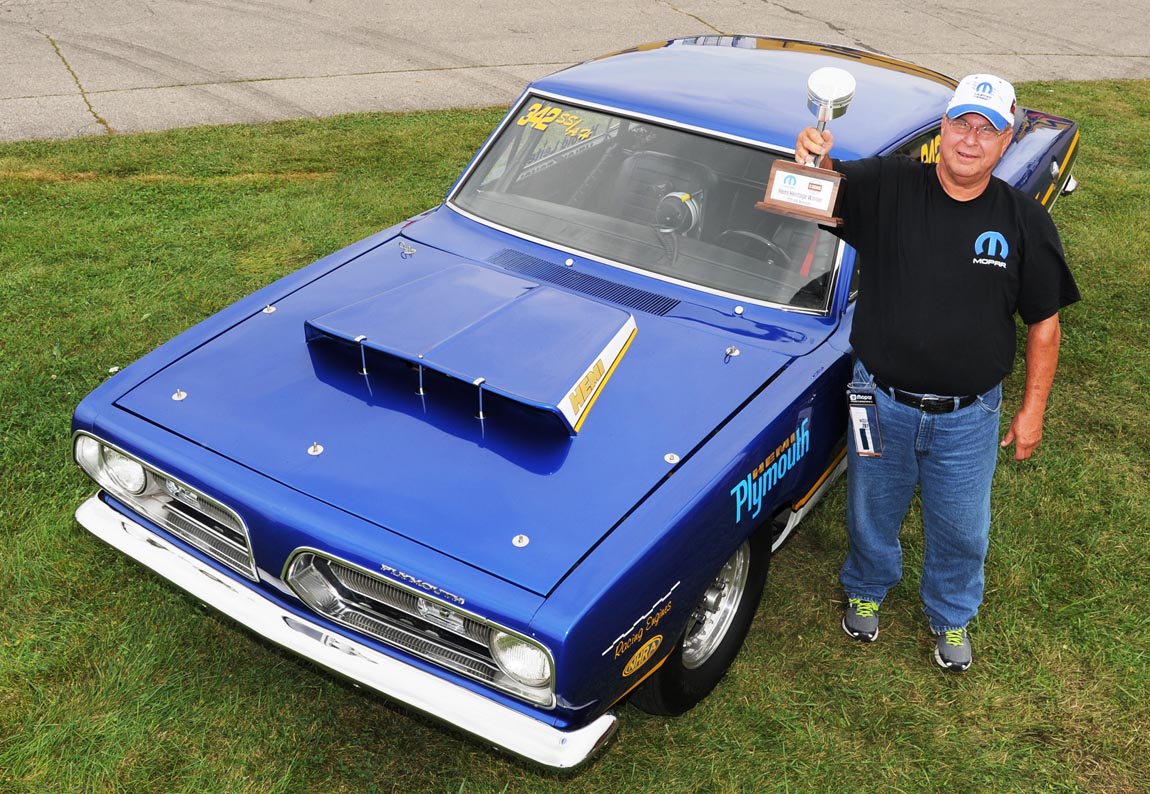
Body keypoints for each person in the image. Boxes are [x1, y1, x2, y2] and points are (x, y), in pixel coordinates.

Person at [794, 74, 1081, 671]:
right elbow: (814, 192)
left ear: (1006, 141)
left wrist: (1033, 411)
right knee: (872, 504)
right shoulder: (888, 184)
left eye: (987, 130)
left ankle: (951, 614)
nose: (971, 140)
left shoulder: (1024, 221)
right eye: (962, 124)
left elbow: (1044, 325)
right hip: (877, 399)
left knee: (962, 526)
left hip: (968, 415)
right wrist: (809, 160)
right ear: (944, 129)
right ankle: (867, 586)